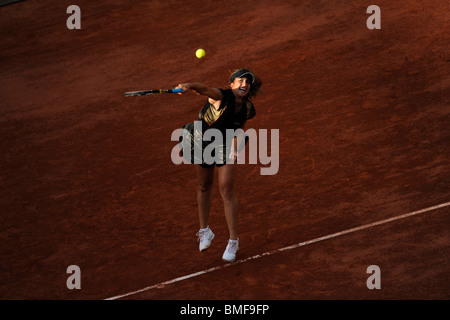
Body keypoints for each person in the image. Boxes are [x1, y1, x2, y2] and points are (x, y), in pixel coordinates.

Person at [176, 68, 262, 262]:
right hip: (202, 142)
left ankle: (233, 241)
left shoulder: (247, 108)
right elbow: (204, 89)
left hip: (226, 143)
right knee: (203, 185)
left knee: (226, 189)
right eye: (239, 81)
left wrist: (233, 149)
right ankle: (204, 231)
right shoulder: (220, 96)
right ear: (231, 84)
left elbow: (239, 128)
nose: (244, 84)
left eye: (247, 82)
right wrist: (188, 86)